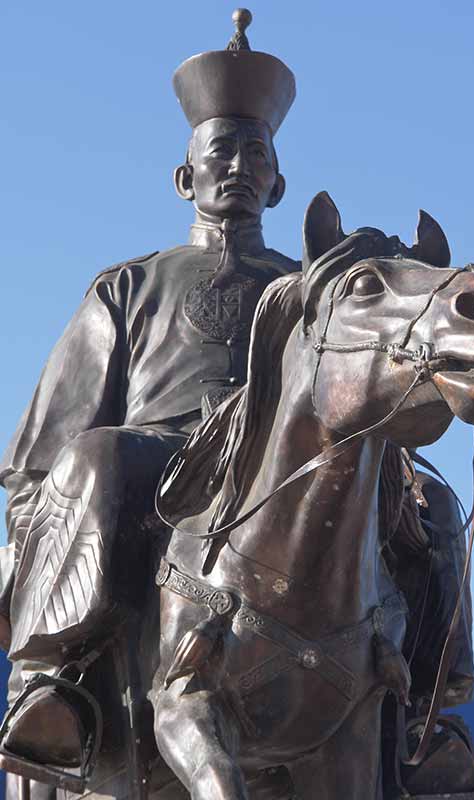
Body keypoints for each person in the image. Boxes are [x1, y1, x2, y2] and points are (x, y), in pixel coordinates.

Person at [0, 9, 298, 783]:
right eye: (220, 150)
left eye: (255, 153)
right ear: (184, 177)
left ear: (278, 182)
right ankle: (52, 682)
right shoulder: (126, 286)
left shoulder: (310, 293)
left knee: (432, 507)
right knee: (99, 453)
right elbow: (42, 452)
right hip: (156, 464)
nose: (238, 166)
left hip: (279, 469)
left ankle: (431, 725)